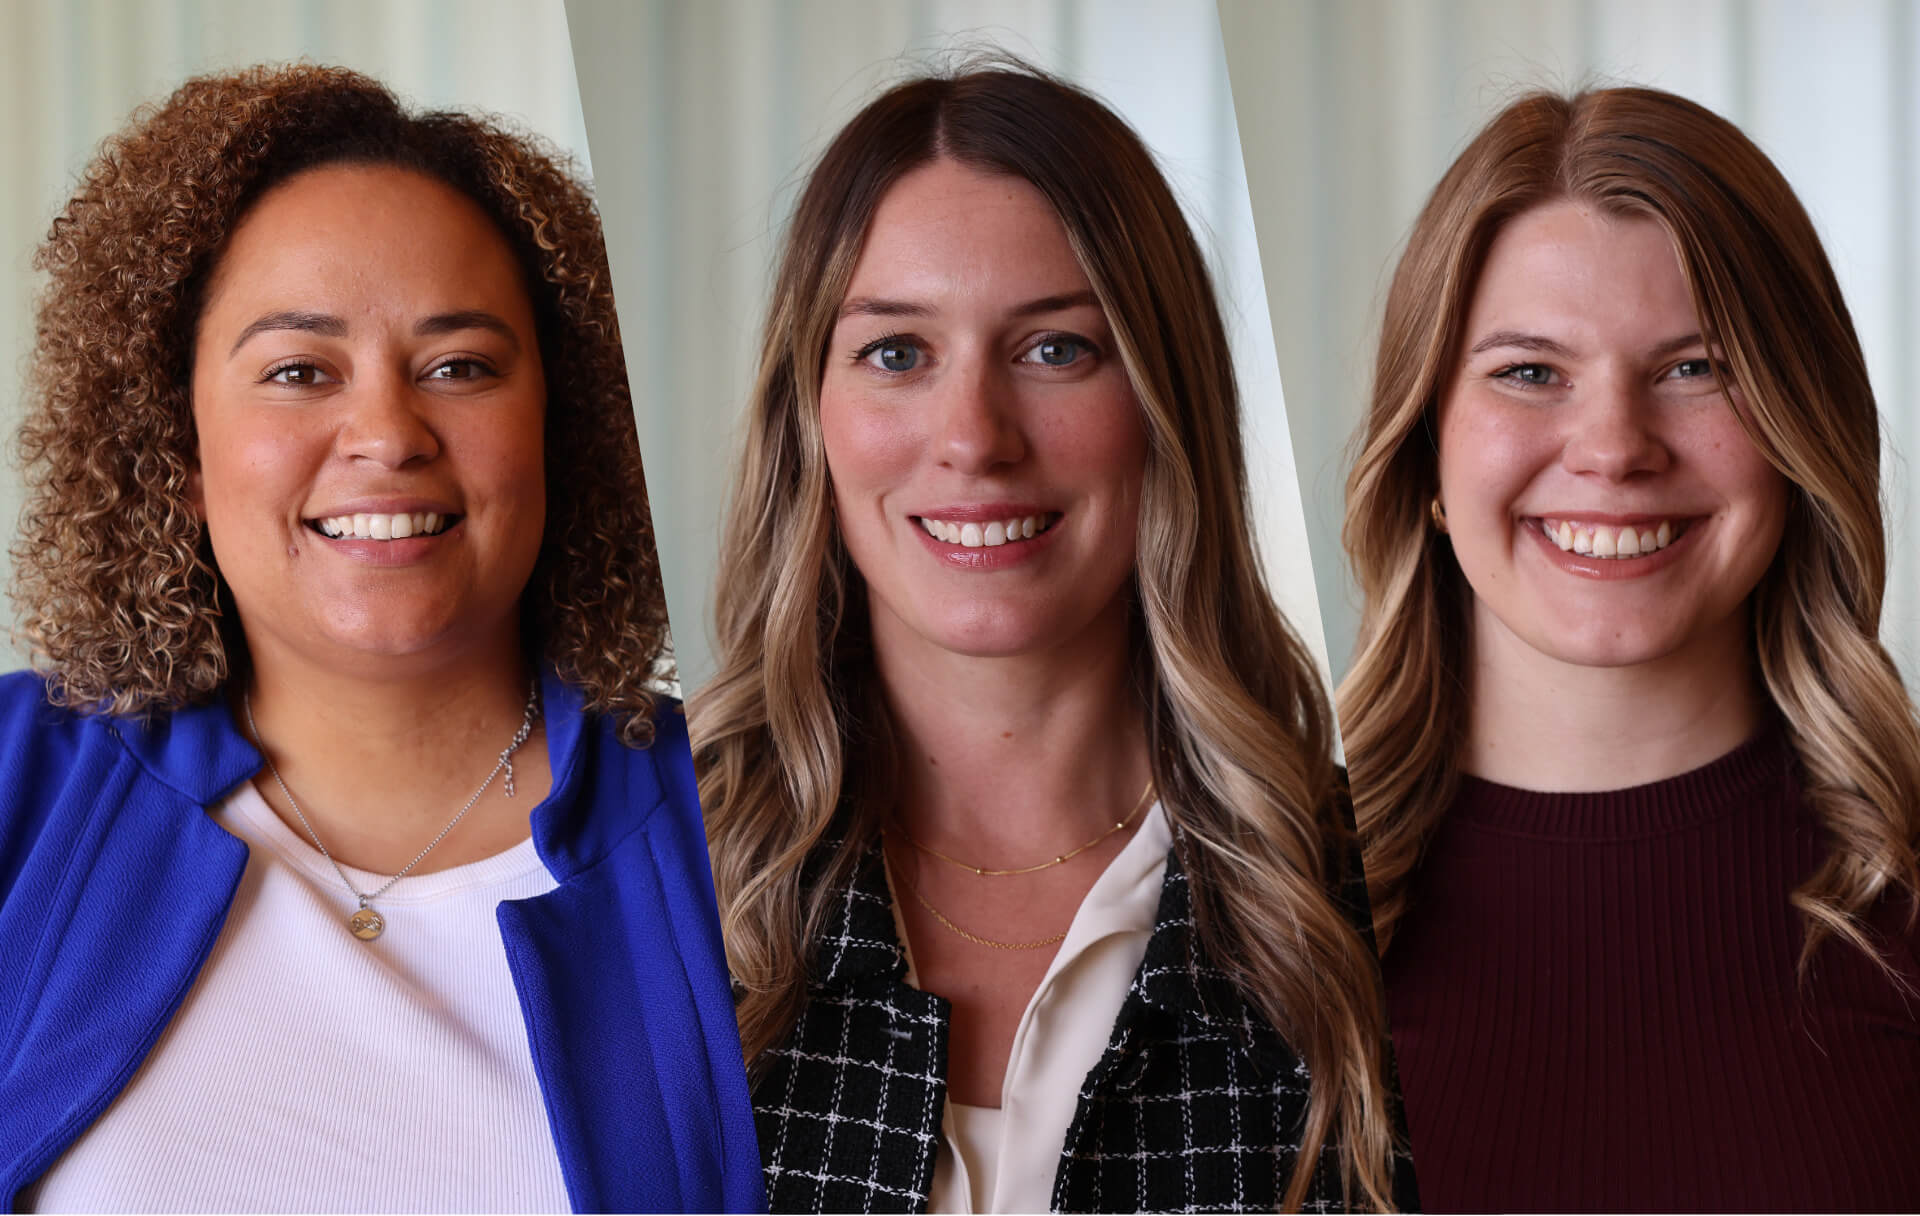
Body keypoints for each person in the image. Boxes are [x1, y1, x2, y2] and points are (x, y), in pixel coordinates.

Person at [0, 63, 763, 1213]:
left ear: (561, 425)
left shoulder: (751, 817)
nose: (388, 433)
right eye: (299, 370)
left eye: (459, 367)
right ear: (179, 441)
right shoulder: (17, 782)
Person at [695, 62, 1409, 1214]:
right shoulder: (663, 875)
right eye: (897, 352)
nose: (974, 437)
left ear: (1164, 406)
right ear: (809, 417)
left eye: (1055, 349)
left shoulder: (1367, 901)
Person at [1340, 85, 1920, 1211]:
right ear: (1426, 461)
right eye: (1529, 372)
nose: (1613, 448)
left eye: (1695, 367)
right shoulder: (1256, 914)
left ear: (1804, 436)